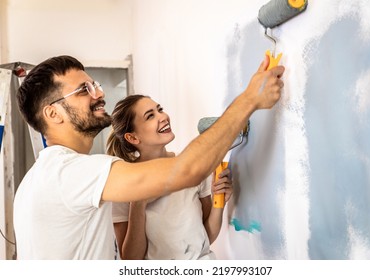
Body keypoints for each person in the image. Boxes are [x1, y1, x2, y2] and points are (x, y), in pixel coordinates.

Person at [13, 55, 284, 259]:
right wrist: (249, 100)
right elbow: (188, 170)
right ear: (53, 114)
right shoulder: (71, 172)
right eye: (84, 90)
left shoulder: (37, 179)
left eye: (93, 84)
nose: (100, 93)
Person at [106, 94, 233, 260]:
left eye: (160, 110)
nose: (163, 117)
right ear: (133, 137)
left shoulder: (191, 167)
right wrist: (138, 202)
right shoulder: (123, 182)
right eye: (150, 116)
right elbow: (131, 260)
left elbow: (205, 238)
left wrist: (219, 201)